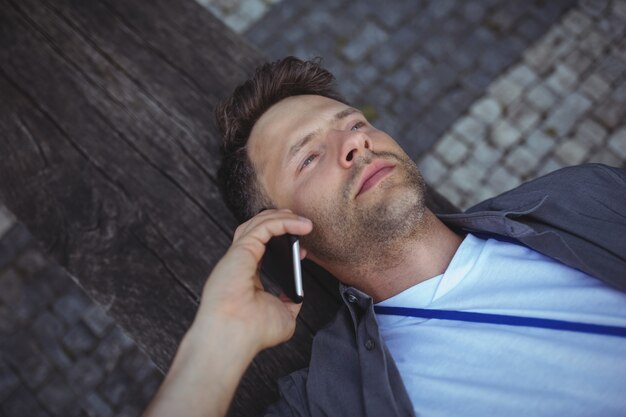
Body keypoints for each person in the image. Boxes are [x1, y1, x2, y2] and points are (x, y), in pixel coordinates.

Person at [143, 57, 626, 417]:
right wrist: (219, 339)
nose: (356, 142)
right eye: (308, 158)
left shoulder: (583, 197)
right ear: (290, 237)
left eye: (354, 123)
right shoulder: (333, 401)